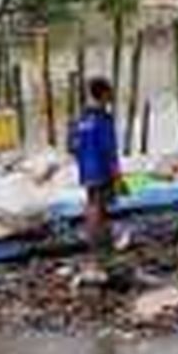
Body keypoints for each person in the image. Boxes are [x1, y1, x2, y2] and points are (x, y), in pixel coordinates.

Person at [68, 76, 121, 277]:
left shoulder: (80, 119)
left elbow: (72, 146)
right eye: (110, 92)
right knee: (99, 205)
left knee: (93, 202)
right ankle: (98, 245)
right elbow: (109, 147)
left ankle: (97, 241)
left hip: (86, 168)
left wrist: (84, 159)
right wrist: (116, 172)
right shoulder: (103, 118)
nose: (112, 96)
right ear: (104, 93)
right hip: (101, 168)